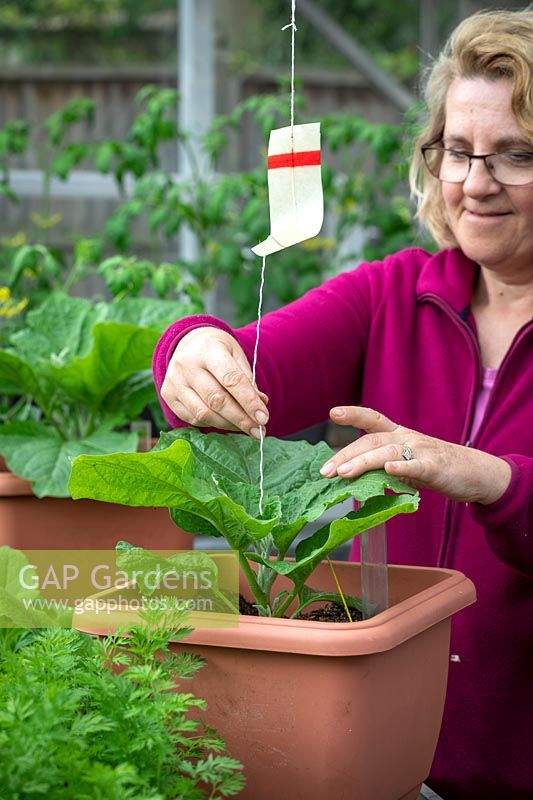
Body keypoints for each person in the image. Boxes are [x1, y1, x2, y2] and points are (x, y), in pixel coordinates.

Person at [153, 9, 532, 800]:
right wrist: (189, 350)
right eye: (456, 152)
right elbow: (247, 365)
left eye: (514, 156)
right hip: (382, 763)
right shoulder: (392, 295)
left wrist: (490, 478)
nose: (473, 182)